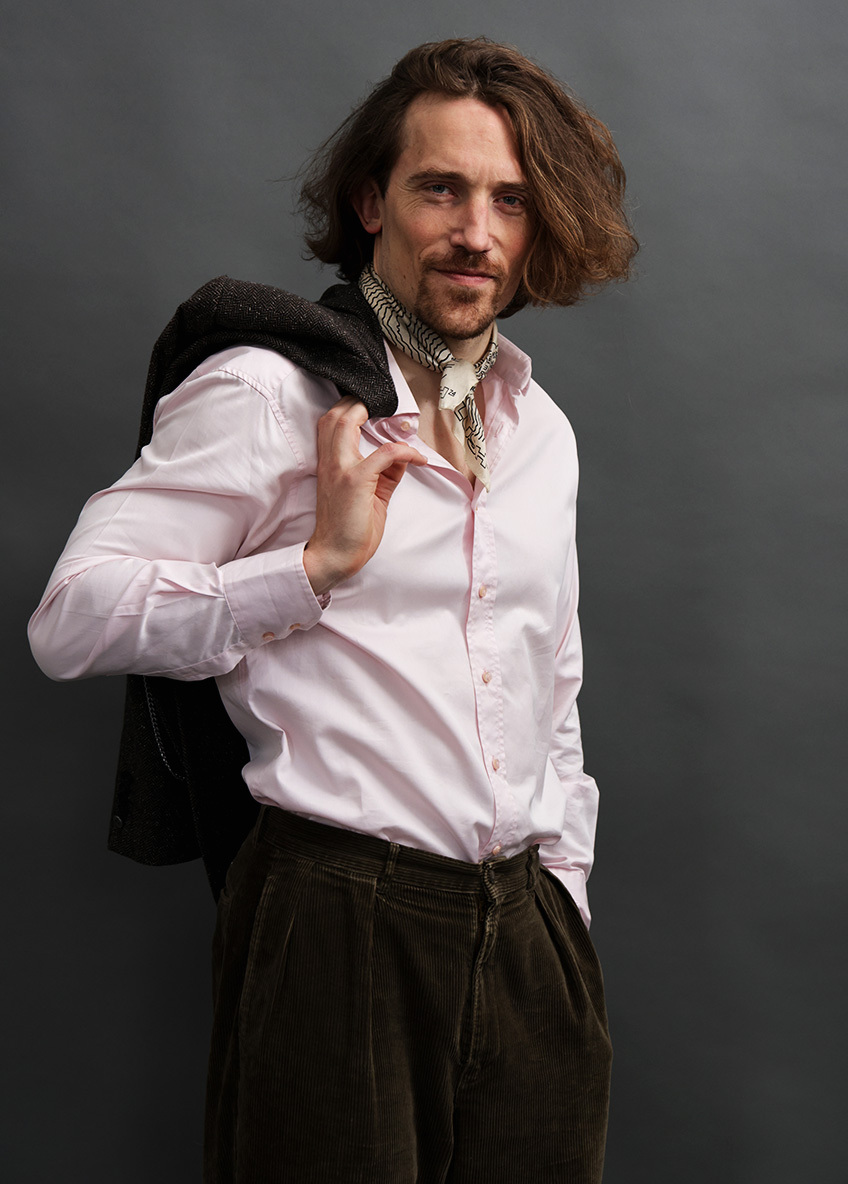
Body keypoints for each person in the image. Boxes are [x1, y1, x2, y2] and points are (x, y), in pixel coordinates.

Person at [29, 37, 636, 1184]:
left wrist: (562, 894)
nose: (476, 232)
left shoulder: (538, 430)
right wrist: (313, 565)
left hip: (526, 936)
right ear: (370, 202)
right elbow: (71, 616)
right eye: (440, 189)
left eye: (509, 200)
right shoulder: (271, 391)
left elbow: (547, 678)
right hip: (337, 920)